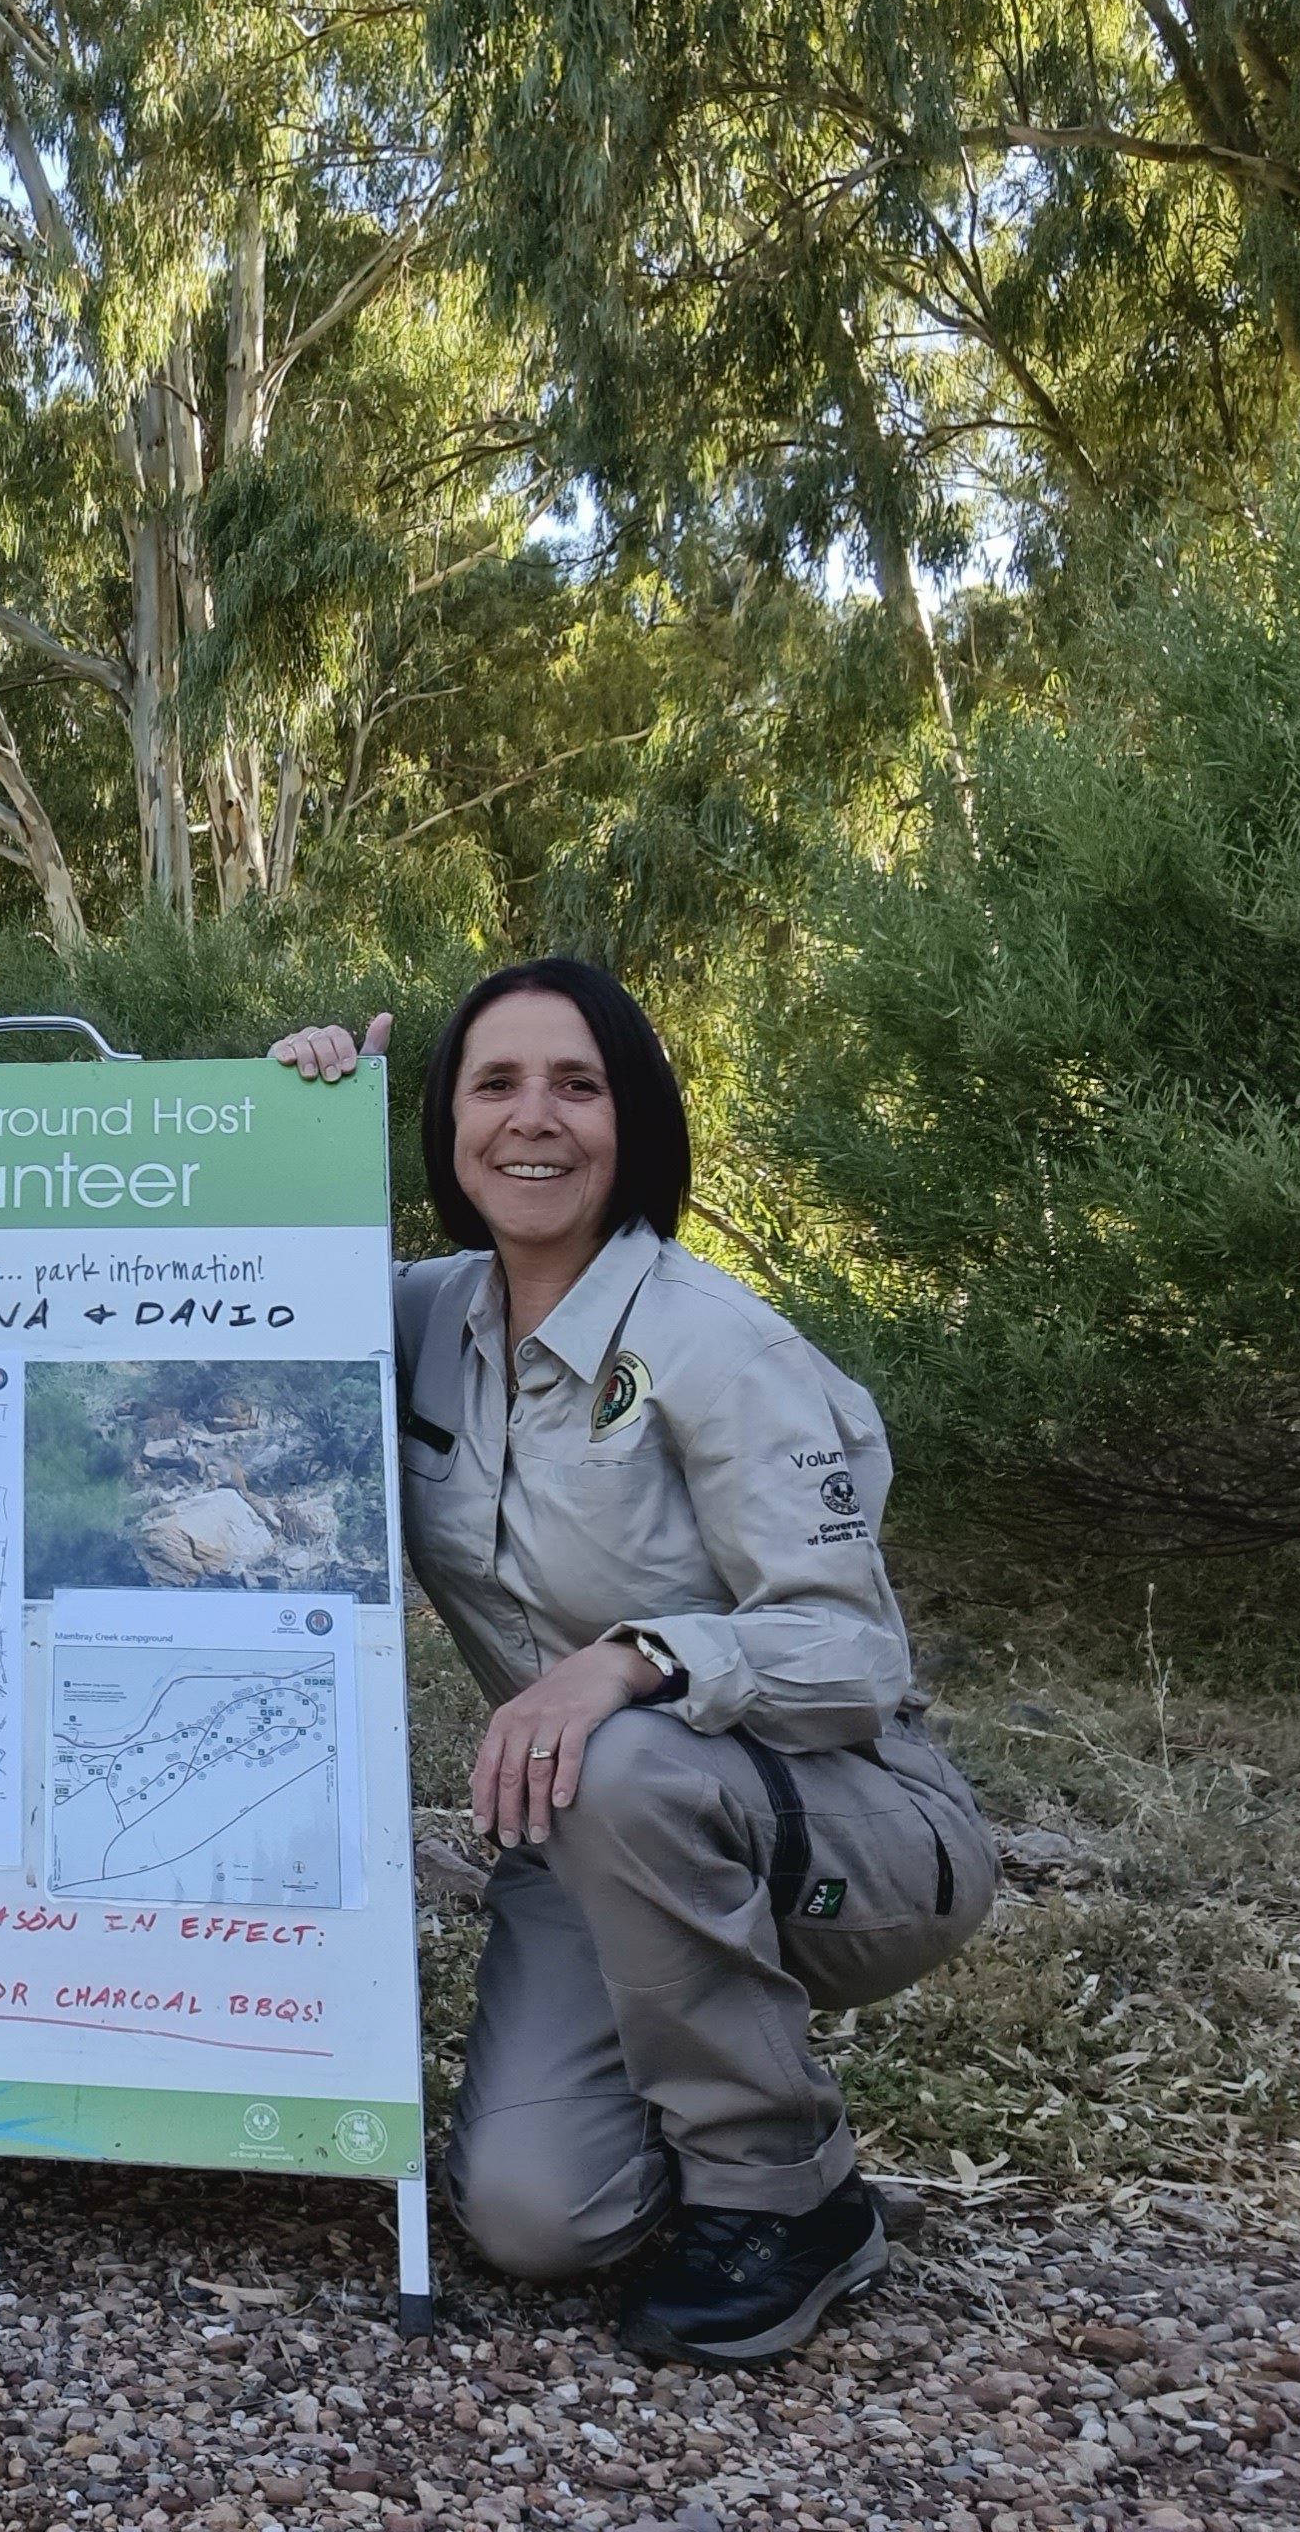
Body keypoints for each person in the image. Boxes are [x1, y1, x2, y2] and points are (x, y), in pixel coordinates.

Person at [274, 963, 994, 2364]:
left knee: (618, 1761)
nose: (532, 1121)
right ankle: (682, 2097)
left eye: (577, 1084)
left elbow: (851, 1652)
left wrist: (630, 1662)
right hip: (587, 1831)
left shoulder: (718, 1343)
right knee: (540, 2221)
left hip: (846, 1818)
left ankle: (786, 2197)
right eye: (494, 1084)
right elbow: (235, 1282)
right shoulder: (421, 1316)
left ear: (635, 1119)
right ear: (447, 1122)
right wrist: (295, 1109)